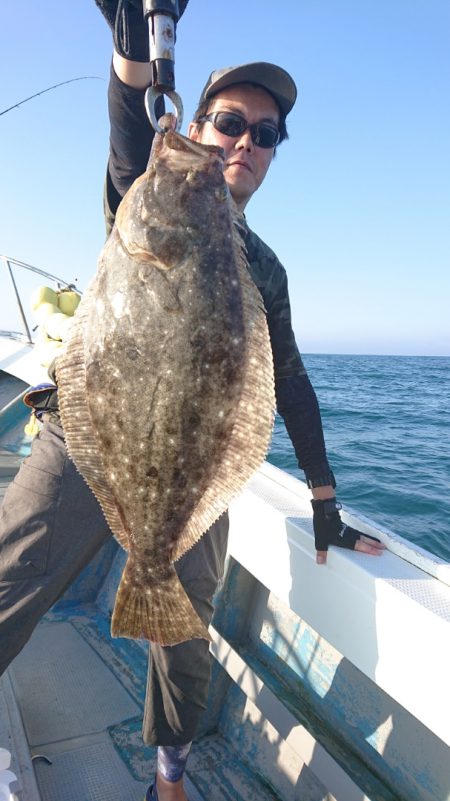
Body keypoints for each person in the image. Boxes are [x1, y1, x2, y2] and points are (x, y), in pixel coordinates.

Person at [0, 2, 385, 800]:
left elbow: (290, 382)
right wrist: (132, 47)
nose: (245, 141)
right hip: (89, 438)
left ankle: (169, 775)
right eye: (229, 122)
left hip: (187, 465)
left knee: (184, 625)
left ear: (273, 153)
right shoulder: (146, 193)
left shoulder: (265, 269)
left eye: (264, 133)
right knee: (10, 578)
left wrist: (324, 500)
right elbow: (129, 121)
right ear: (196, 126)